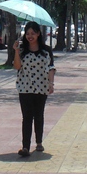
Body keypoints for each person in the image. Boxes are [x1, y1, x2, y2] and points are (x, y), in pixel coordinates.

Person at [13, 21, 56, 157]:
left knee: (38, 115)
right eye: (28, 33)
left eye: (33, 33)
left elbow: (51, 67)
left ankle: (38, 142)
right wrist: (16, 51)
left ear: (38, 34)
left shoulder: (46, 50)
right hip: (24, 87)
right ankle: (25, 146)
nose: (30, 36)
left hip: (41, 87)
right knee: (27, 117)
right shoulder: (22, 49)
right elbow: (17, 67)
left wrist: (51, 83)